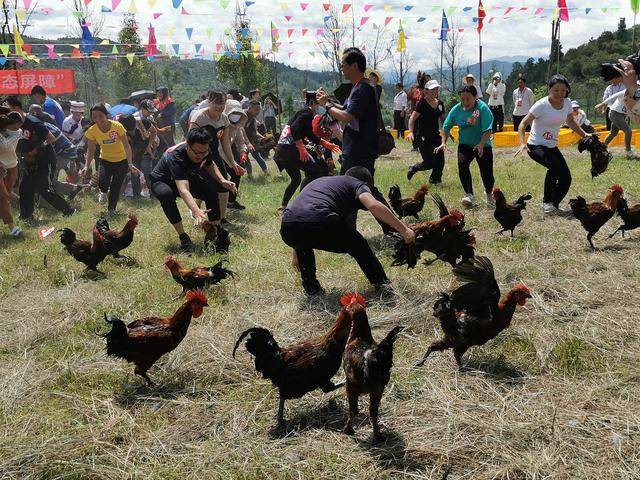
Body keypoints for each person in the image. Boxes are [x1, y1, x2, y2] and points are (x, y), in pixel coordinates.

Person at [280, 166, 415, 296]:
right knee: (359, 245)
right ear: (366, 182)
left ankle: (311, 289)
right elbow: (373, 205)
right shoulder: (357, 184)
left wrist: (296, 248)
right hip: (319, 219)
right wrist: (404, 229)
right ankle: (382, 284)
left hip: (288, 225)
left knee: (305, 245)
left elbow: (301, 214)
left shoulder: (325, 182)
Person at [514, 75, 591, 216]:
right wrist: (521, 142)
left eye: (563, 90)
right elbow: (523, 123)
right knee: (554, 168)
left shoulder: (567, 103)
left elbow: (571, 122)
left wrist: (585, 135)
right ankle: (546, 203)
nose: (560, 93)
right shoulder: (541, 105)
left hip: (551, 146)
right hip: (535, 145)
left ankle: (553, 204)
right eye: (556, 90)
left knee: (566, 178)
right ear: (549, 89)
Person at [149, 128, 236, 251]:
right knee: (166, 194)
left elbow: (210, 164)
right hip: (162, 180)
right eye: (197, 153)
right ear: (187, 146)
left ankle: (214, 232)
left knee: (210, 189)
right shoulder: (176, 156)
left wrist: (222, 180)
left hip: (186, 176)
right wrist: (196, 210)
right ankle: (183, 237)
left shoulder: (204, 149)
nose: (200, 156)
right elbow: (183, 189)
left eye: (204, 152)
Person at [273, 96, 340, 209]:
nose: (320, 107)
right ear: (313, 103)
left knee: (296, 179)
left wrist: (324, 143)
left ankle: (284, 205)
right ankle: (303, 202)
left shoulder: (303, 113)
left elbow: (308, 133)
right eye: (319, 104)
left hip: (282, 152)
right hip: (291, 151)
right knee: (317, 171)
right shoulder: (307, 113)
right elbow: (294, 128)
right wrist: (301, 147)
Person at [189, 90, 246, 220]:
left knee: (224, 187)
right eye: (216, 103)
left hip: (214, 155)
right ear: (209, 102)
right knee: (206, 187)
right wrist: (195, 159)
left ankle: (221, 219)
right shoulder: (199, 117)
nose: (219, 107)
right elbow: (190, 140)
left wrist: (233, 163)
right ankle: (196, 211)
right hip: (198, 156)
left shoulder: (224, 118)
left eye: (222, 103)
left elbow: (225, 143)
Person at [437, 85, 494, 207]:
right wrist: (443, 142)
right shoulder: (457, 109)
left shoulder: (483, 109)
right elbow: (446, 126)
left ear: (475, 97)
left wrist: (481, 144)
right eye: (462, 99)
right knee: (462, 164)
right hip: (465, 144)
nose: (465, 102)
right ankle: (469, 195)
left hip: (483, 145)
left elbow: (487, 130)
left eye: (468, 99)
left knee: (487, 173)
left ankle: (489, 194)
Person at [79, 104, 137, 213]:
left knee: (116, 186)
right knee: (103, 180)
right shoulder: (92, 130)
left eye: (100, 116)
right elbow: (91, 149)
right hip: (106, 160)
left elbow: (126, 146)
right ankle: (103, 192)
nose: (98, 119)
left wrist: (130, 164)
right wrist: (86, 166)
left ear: (106, 115)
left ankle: (111, 210)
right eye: (95, 117)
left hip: (122, 161)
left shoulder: (117, 126)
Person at [17, 140, 75, 219]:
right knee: (24, 188)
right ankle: (26, 216)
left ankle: (68, 210)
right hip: (29, 163)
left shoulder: (37, 129)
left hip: (43, 163)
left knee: (44, 189)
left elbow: (50, 138)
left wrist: (33, 152)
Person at [407, 79, 446, 183]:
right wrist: (410, 132)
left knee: (441, 160)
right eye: (433, 89)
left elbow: (443, 120)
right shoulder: (422, 104)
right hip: (423, 137)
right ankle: (414, 167)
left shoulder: (440, 104)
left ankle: (435, 179)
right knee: (430, 162)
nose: (435, 92)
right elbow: (412, 119)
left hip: (436, 136)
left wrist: (447, 131)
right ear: (426, 91)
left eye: (437, 89)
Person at [118, 113, 157, 198]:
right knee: (134, 173)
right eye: (129, 131)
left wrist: (149, 145)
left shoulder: (143, 122)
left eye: (133, 129)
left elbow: (154, 131)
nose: (132, 132)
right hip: (132, 153)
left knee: (147, 172)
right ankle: (136, 196)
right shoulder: (118, 128)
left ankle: (153, 195)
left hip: (145, 151)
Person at [600, 74, 638, 158]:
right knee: (628, 131)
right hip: (614, 113)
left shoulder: (636, 94)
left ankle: (601, 147)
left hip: (620, 115)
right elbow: (613, 96)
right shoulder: (626, 91)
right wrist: (602, 104)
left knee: (613, 133)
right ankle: (628, 152)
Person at [0, 111, 24, 236]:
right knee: (4, 197)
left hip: (11, 166)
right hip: (1, 168)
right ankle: (12, 227)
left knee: (6, 196)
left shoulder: (9, 135)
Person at [244, 100, 270, 176]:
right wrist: (246, 143)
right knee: (244, 156)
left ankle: (265, 170)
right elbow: (240, 130)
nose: (258, 112)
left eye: (259, 110)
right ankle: (250, 174)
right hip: (241, 140)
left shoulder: (252, 118)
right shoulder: (244, 116)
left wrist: (264, 139)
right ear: (250, 108)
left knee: (256, 154)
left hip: (250, 139)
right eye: (256, 110)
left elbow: (255, 132)